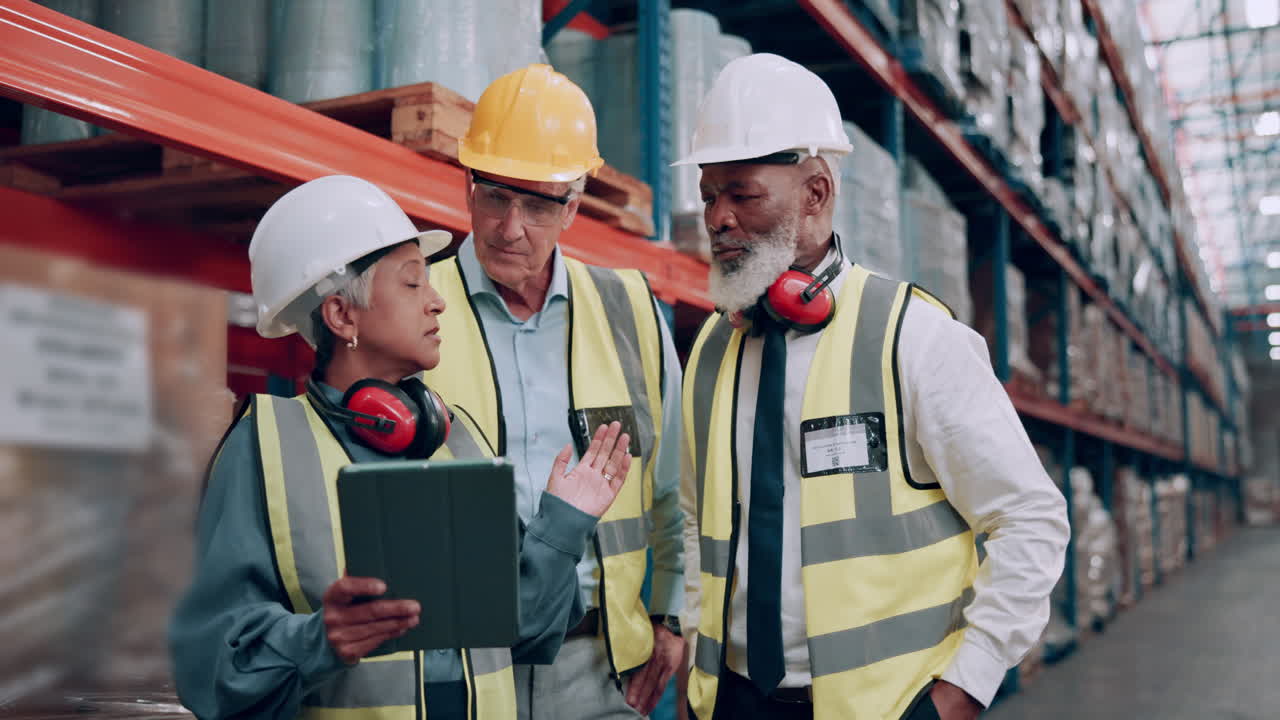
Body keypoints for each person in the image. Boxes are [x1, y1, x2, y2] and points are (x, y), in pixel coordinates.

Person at [674, 54, 1070, 720]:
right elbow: (695, 524)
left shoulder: (914, 337)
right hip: (733, 700)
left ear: (816, 194)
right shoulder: (714, 349)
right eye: (711, 194)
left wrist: (962, 689)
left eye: (742, 194)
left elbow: (1030, 520)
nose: (717, 217)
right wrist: (695, 669)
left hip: (885, 709)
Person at [169, 175, 633, 720]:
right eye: (413, 285)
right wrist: (318, 637)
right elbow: (210, 668)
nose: (438, 302)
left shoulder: (455, 437)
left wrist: (563, 524)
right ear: (342, 315)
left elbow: (523, 630)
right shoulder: (264, 446)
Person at [421, 64, 685, 719]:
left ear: (573, 204)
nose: (511, 227)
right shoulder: (414, 303)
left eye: (538, 204)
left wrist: (674, 617)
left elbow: (679, 490)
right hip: (455, 665)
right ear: (469, 185)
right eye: (494, 196)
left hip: (597, 669)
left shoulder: (628, 309)